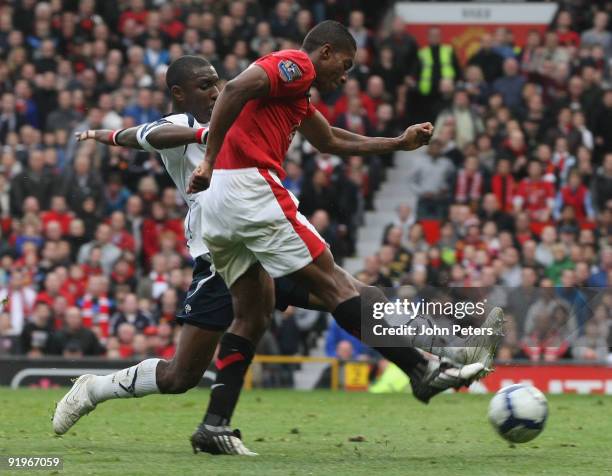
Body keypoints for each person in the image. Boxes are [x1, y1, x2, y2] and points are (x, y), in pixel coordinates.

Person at [53, 55, 487, 456]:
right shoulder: (182, 124)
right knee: (179, 376)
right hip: (217, 255)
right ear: (181, 94)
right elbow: (143, 135)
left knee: (350, 290)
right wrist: (154, 135)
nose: (215, 91)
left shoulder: (247, 108)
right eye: (204, 85)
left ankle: (439, 354)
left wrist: (395, 143)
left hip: (259, 238)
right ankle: (94, 389)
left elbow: (328, 136)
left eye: (217, 83)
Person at [188, 15, 500, 422]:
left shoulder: (294, 96)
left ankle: (215, 425)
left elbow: (331, 139)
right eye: (346, 64)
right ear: (326, 52)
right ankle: (422, 370)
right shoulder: (296, 67)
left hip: (219, 206)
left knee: (252, 314)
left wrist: (398, 143)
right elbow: (234, 87)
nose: (346, 75)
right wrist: (208, 159)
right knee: (339, 286)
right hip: (250, 188)